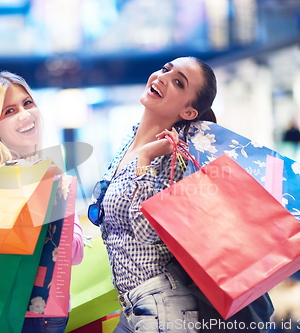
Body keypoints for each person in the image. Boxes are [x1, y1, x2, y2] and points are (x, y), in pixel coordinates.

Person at [0, 71, 84, 333]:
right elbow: (71, 252)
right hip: (34, 315)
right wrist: (69, 207)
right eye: (9, 111)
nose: (24, 114)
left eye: (27, 103)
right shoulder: (45, 176)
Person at [89, 57, 217, 333]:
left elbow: (147, 232)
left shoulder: (176, 156)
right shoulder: (130, 138)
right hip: (132, 305)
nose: (162, 77)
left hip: (164, 308)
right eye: (165, 69)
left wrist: (146, 158)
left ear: (189, 112)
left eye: (178, 83)